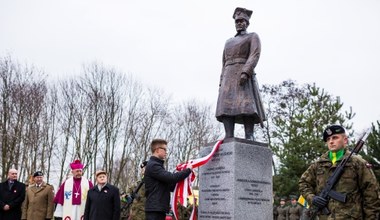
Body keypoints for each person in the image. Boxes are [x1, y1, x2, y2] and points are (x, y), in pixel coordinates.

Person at [299, 125, 380, 219]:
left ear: (345, 140)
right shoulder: (318, 164)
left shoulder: (357, 163)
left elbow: (371, 195)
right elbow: (303, 183)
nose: (331, 141)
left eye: (335, 137)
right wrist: (312, 198)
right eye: (328, 139)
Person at [215, 7, 266, 140]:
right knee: (225, 107)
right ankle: (228, 136)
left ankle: (249, 135)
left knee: (246, 106)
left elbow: (254, 55)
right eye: (237, 21)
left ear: (247, 22)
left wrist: (246, 72)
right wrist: (221, 79)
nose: (239, 23)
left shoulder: (252, 36)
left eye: (242, 21)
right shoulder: (228, 42)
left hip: (243, 75)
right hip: (228, 76)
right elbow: (223, 61)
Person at [144, 139, 192, 220]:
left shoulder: (158, 165)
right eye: (165, 149)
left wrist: (183, 182)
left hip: (158, 208)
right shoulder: (153, 165)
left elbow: (169, 186)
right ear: (157, 150)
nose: (166, 152)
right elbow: (171, 178)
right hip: (154, 209)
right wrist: (187, 170)